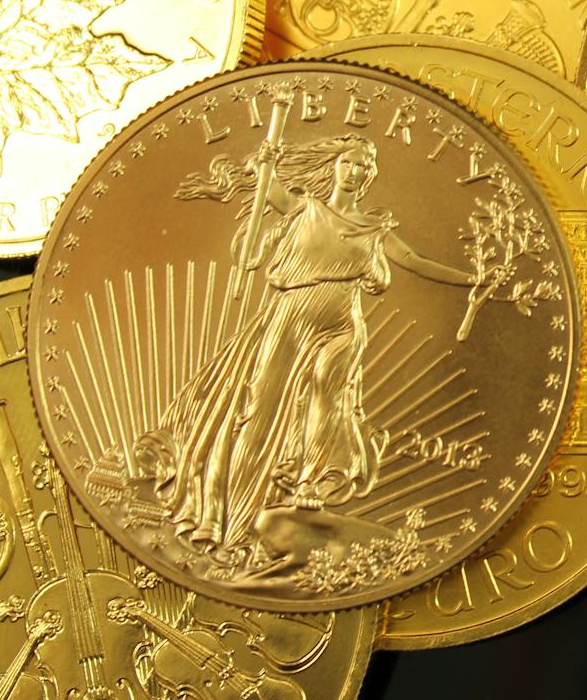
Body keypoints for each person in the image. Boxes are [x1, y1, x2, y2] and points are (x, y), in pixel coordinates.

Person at [141, 130, 480, 569]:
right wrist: (264, 165)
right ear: (334, 167)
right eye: (348, 163)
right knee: (258, 409)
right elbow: (273, 190)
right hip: (290, 317)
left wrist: (471, 280)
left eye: (363, 165)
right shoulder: (306, 208)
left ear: (371, 174)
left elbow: (415, 261)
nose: (355, 171)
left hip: (343, 322)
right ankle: (228, 520)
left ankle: (309, 483)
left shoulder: (375, 229)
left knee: (327, 393)